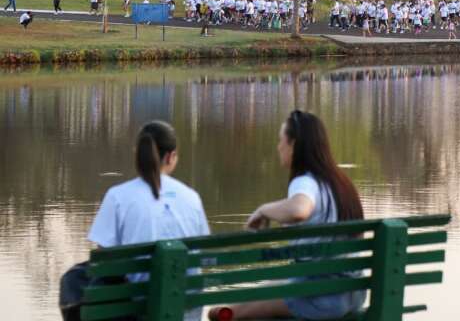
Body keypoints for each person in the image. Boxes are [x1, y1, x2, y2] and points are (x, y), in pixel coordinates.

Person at [209, 111, 366, 321]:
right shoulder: (341, 184)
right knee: (248, 298)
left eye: (280, 140)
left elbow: (299, 210)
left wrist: (263, 209)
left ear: (294, 145)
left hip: (320, 297)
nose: (278, 147)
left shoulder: (305, 181)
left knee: (221, 314)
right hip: (351, 293)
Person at [60, 122, 210, 321]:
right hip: (186, 307)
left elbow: (105, 259)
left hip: (139, 307)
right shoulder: (192, 197)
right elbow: (202, 254)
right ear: (171, 157)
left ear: (137, 154)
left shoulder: (118, 196)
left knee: (74, 278)